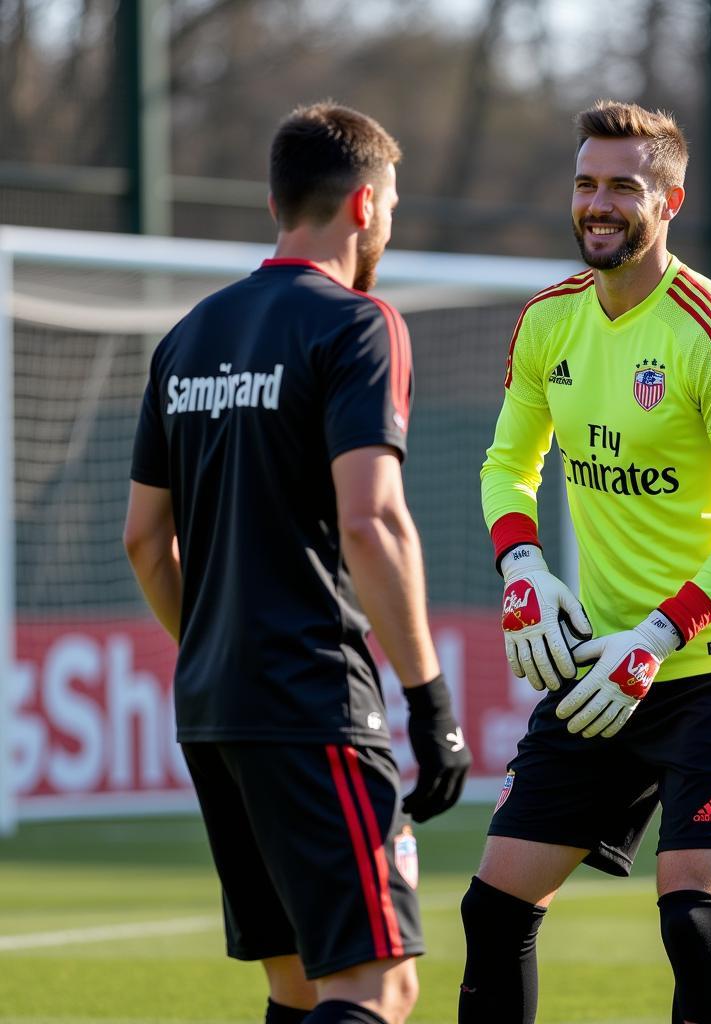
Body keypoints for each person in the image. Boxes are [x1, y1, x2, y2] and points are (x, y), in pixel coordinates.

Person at [124, 102, 471, 1024]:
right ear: (363, 205)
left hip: (211, 706)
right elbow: (374, 521)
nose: (389, 222)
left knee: (299, 982)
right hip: (312, 701)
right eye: (390, 203)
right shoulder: (357, 325)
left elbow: (142, 539)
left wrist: (213, 641)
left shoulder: (188, 336)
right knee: (379, 984)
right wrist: (430, 700)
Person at [460, 99, 711, 1024]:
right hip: (601, 664)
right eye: (585, 183)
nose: (598, 204)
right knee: (493, 911)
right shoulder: (548, 322)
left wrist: (662, 629)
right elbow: (505, 465)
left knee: (691, 921)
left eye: (622, 186)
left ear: (671, 200)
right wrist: (521, 567)